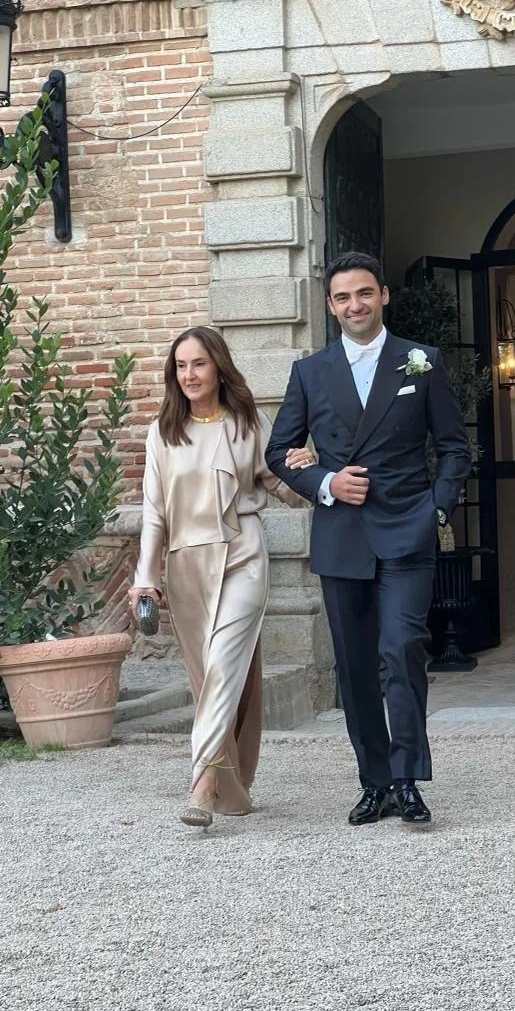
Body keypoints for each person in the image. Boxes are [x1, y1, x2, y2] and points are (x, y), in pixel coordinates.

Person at [265, 251, 471, 827]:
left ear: (383, 295)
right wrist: (325, 481)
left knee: (401, 649)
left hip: (408, 530)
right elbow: (277, 450)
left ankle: (408, 779)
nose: (354, 305)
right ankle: (374, 781)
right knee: (355, 666)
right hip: (341, 536)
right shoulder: (310, 371)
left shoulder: (420, 362)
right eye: (342, 298)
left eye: (364, 293)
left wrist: (437, 507)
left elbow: (454, 446)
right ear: (331, 308)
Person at [128, 327, 315, 828]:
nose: (189, 375)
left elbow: (281, 484)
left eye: (199, 364)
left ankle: (203, 782)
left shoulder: (250, 423)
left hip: (243, 556)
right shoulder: (162, 432)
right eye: (181, 366)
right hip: (186, 564)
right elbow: (153, 513)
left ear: (219, 368)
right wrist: (145, 577)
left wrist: (309, 471)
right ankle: (233, 785)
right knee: (212, 676)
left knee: (227, 662)